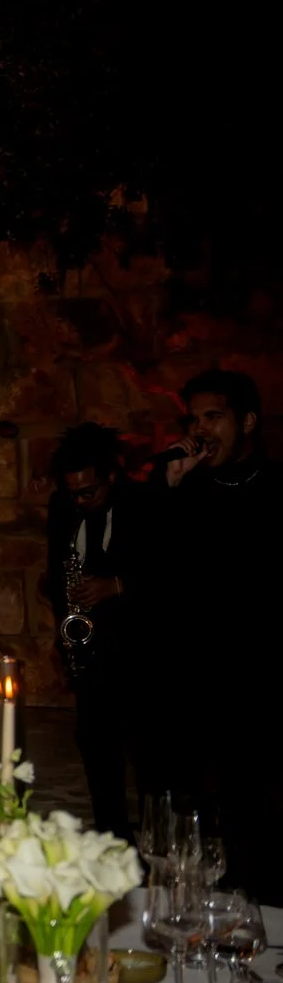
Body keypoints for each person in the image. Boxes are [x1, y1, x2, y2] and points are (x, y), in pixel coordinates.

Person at [155, 369, 280, 896]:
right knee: (195, 810)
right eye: (194, 419)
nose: (200, 429)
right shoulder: (187, 490)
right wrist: (171, 487)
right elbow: (152, 570)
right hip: (196, 679)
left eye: (214, 416)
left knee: (259, 818)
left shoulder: (274, 485)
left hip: (260, 681)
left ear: (246, 421)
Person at [42, 423, 146, 838]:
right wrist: (64, 635)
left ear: (111, 476)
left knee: (148, 758)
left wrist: (116, 585)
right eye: (74, 493)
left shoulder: (141, 502)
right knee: (96, 750)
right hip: (90, 649)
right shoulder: (62, 507)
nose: (81, 501)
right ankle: (112, 843)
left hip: (140, 648)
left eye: (89, 492)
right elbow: (56, 571)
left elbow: (172, 571)